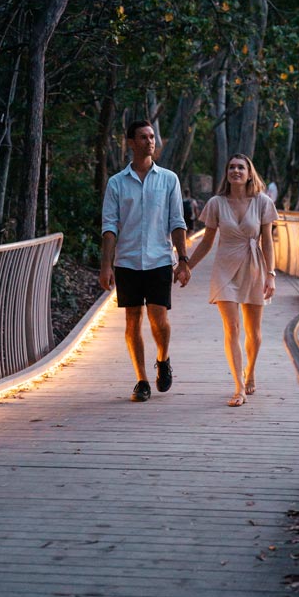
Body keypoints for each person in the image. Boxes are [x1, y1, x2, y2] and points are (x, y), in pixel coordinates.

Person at [99, 120, 191, 402]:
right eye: (143, 137)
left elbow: (177, 221)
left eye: (152, 137)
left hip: (159, 259)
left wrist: (183, 259)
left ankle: (163, 359)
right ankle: (141, 380)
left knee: (159, 319)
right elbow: (110, 226)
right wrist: (106, 265)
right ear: (130, 142)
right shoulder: (116, 183)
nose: (150, 141)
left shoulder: (168, 179)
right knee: (132, 320)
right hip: (127, 261)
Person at [187, 154, 278, 407]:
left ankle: (251, 371)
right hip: (224, 269)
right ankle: (239, 386)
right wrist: (187, 267)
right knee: (232, 329)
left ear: (250, 173)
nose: (235, 170)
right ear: (226, 173)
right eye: (231, 167)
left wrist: (271, 275)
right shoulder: (216, 203)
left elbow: (268, 243)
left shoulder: (263, 202)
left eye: (241, 167)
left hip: (253, 268)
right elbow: (206, 242)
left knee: (254, 333)